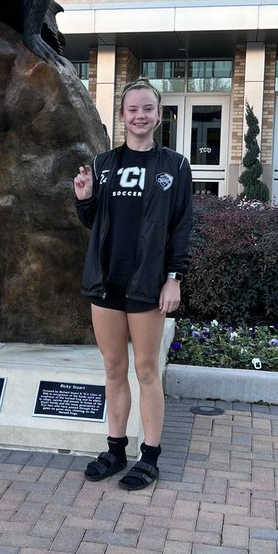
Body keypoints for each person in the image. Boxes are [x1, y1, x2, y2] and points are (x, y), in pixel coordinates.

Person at [73, 78, 193, 490]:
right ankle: (115, 449)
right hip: (106, 282)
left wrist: (173, 278)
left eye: (147, 108)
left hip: (147, 284)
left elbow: (181, 227)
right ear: (122, 116)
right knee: (113, 369)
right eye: (132, 109)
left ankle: (150, 457)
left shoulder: (174, 166)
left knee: (145, 370)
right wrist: (85, 199)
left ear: (159, 115)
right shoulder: (104, 164)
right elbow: (95, 224)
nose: (139, 115)